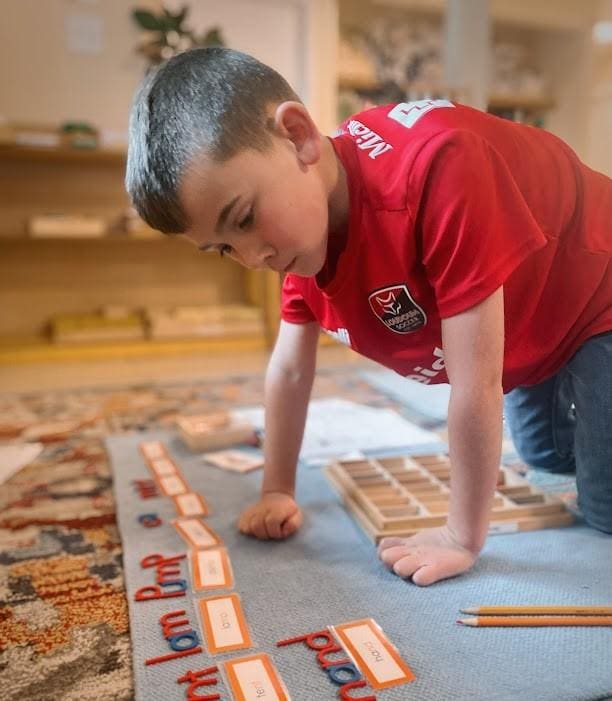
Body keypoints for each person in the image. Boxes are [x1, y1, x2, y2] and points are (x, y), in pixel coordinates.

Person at [126, 47, 612, 586]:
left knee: (604, 508)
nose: (251, 257)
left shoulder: (441, 170)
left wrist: (461, 536)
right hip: (534, 310)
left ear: (299, 136)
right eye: (222, 248)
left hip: (599, 288)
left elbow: (478, 384)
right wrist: (276, 489)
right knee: (546, 457)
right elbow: (289, 372)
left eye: (243, 219)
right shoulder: (299, 238)